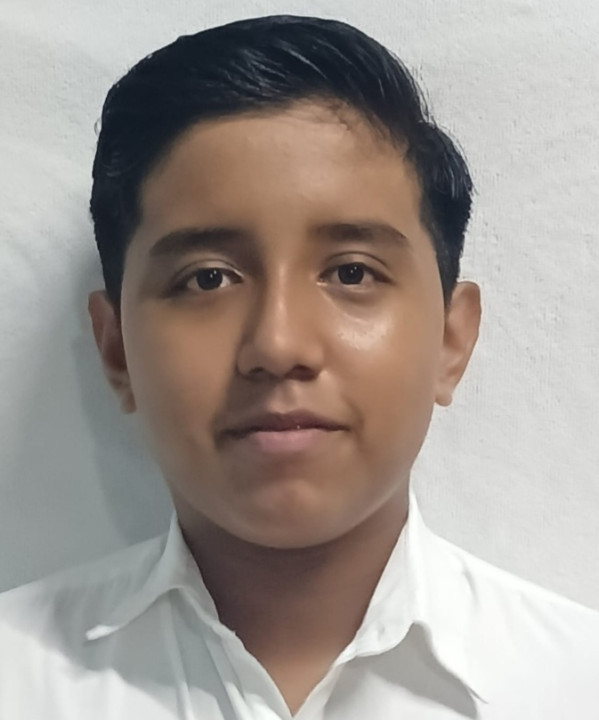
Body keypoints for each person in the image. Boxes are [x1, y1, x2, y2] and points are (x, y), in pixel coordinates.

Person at [1, 13, 598, 719]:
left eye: (351, 272)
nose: (279, 345)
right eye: (207, 278)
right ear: (116, 350)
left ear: (450, 339)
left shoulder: (573, 685)